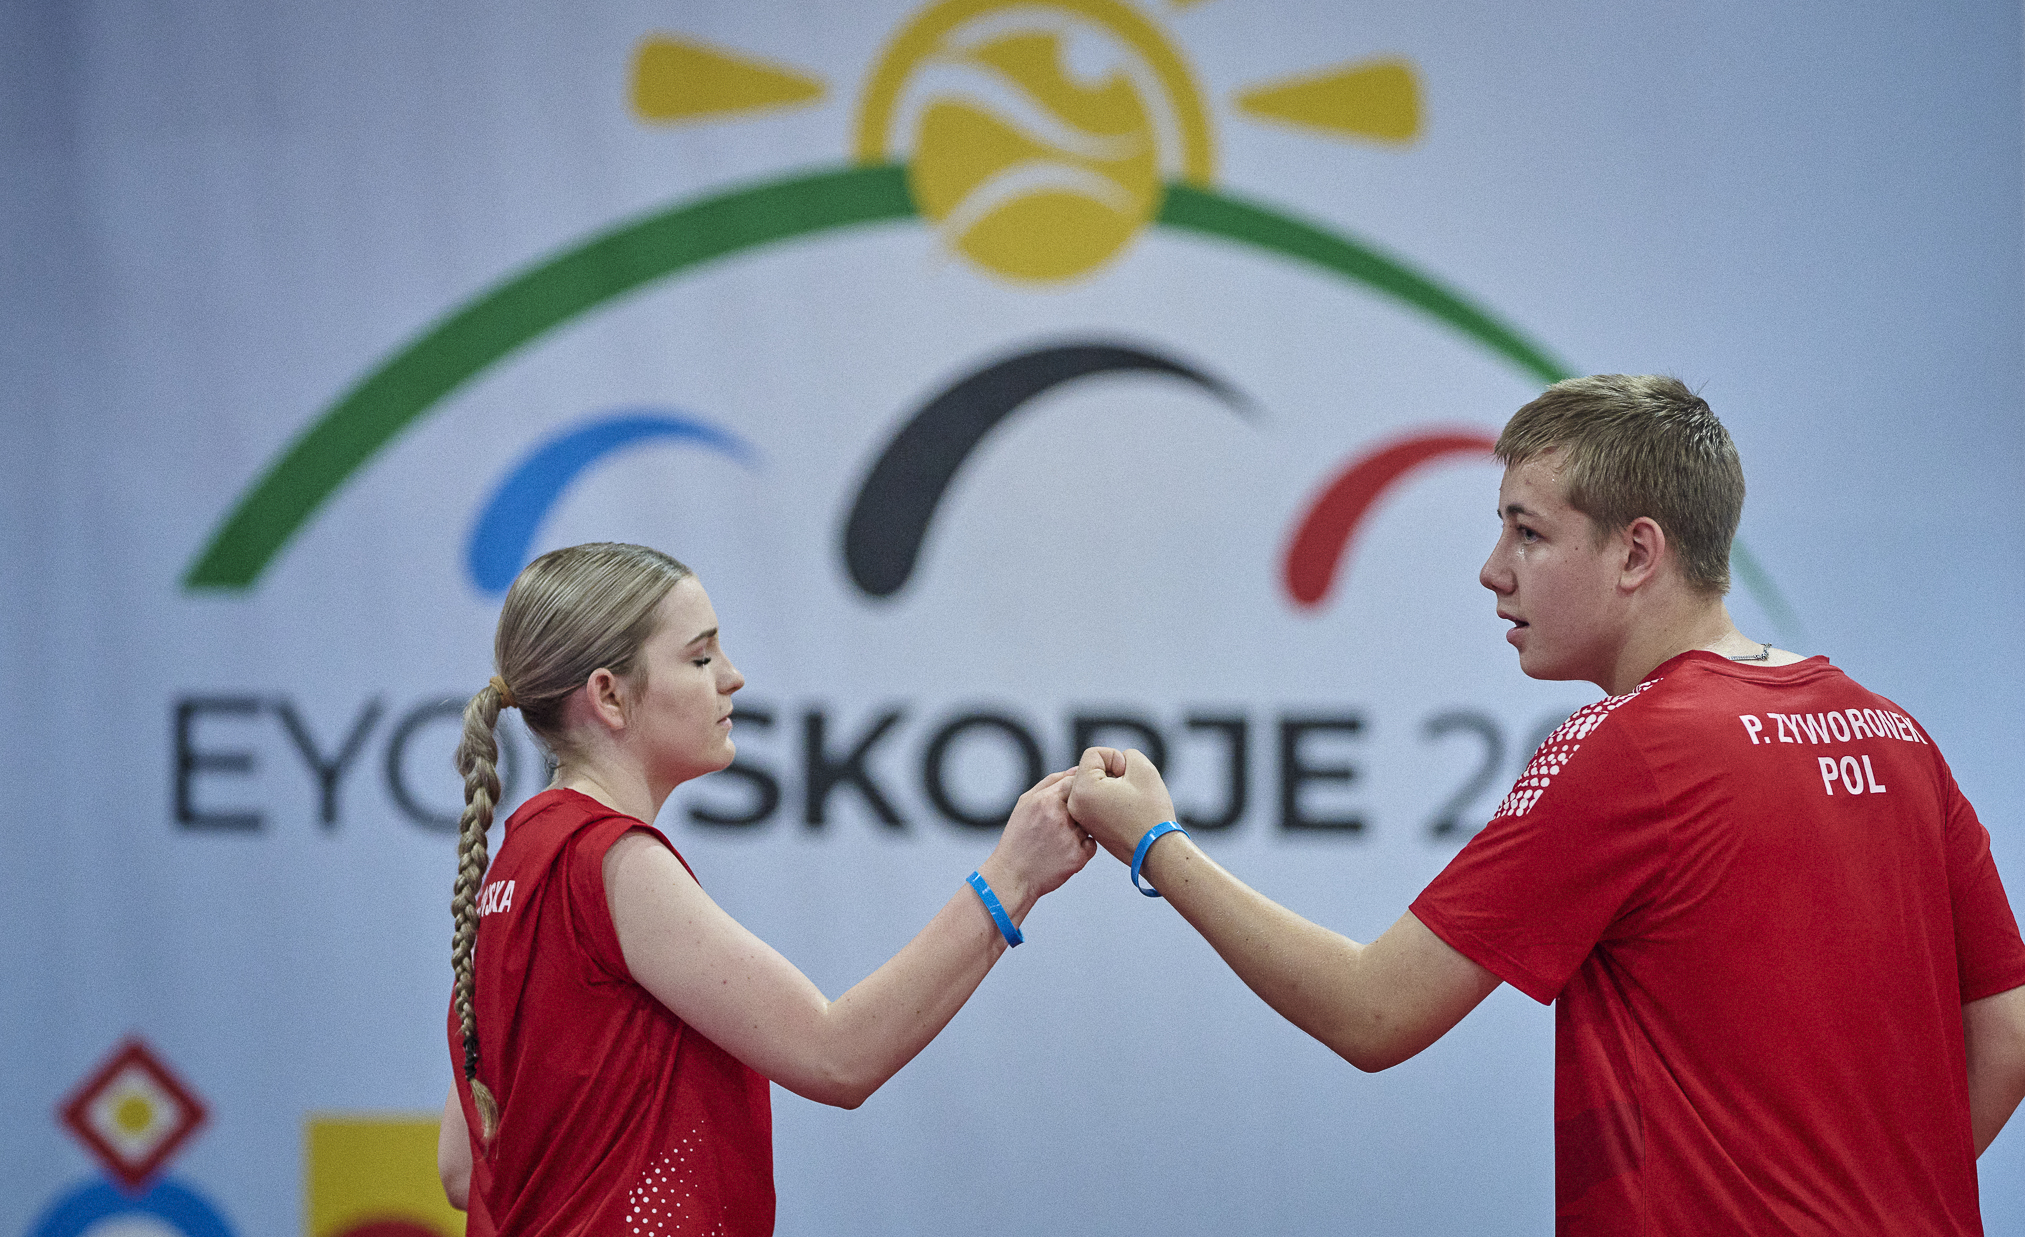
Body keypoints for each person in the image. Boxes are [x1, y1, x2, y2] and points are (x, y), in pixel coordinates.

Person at [1067, 375, 2025, 1233]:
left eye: (1527, 533)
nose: (1493, 569)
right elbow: (2009, 1031)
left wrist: (1154, 842)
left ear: (1636, 552)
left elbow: (1372, 1010)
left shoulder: (1629, 746)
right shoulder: (1896, 733)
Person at [434, 541, 1096, 1235]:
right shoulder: (612, 862)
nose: (733, 677)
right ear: (608, 695)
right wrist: (1013, 875)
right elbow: (837, 1056)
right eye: (700, 658)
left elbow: (461, 1165)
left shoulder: (517, 860)